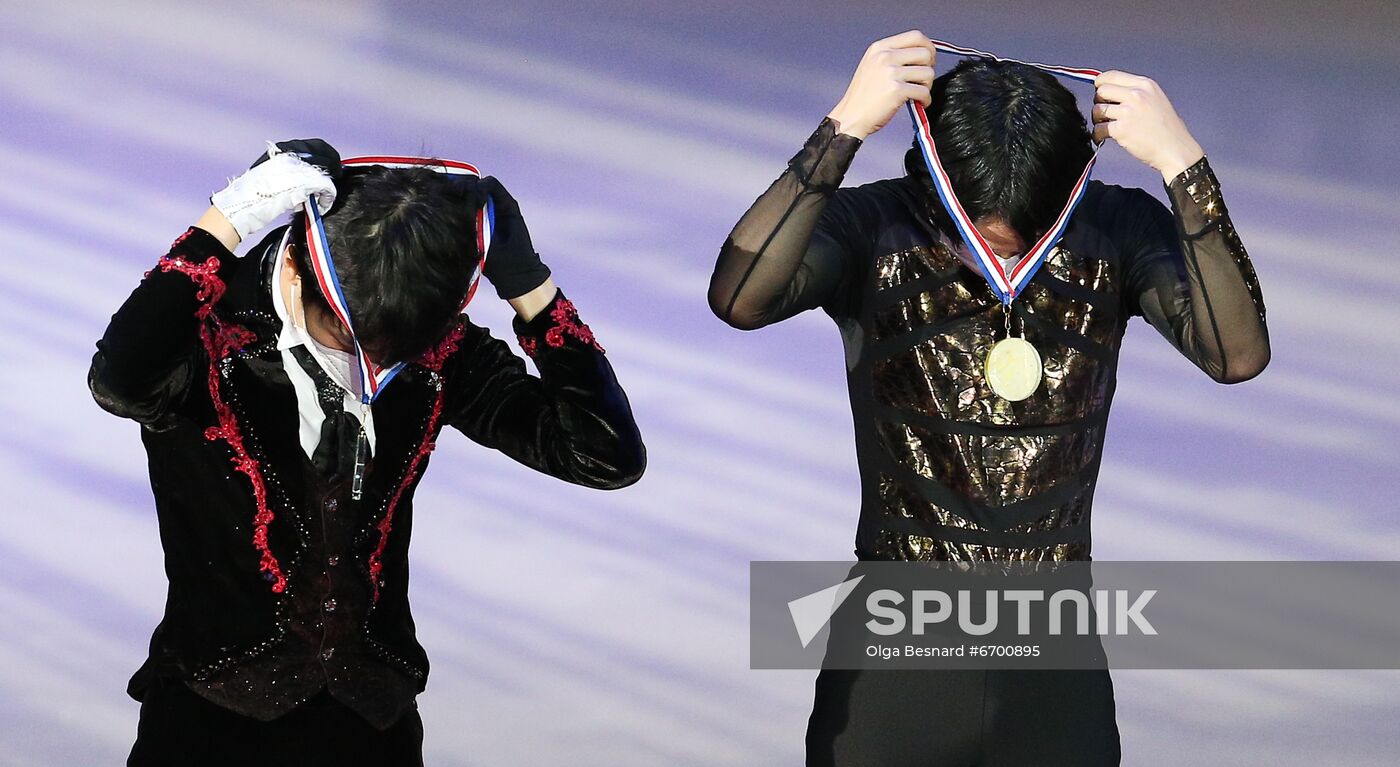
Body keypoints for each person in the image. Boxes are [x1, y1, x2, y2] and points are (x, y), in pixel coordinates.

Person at [710, 31, 1269, 766]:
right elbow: (740, 297)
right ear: (936, 176)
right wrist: (841, 127)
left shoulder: (1114, 229)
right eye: (982, 229)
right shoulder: (874, 224)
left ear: (1069, 188)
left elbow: (1237, 354)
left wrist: (1183, 164)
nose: (1004, 250)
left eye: (1024, 234)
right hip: (893, 657)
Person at [89, 139, 647, 766]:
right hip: (208, 721)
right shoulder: (208, 336)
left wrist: (532, 289)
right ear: (299, 264)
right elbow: (120, 381)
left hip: (372, 724)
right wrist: (228, 219)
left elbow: (604, 455)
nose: (374, 364)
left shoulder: (434, 346)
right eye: (352, 338)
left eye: (397, 347)